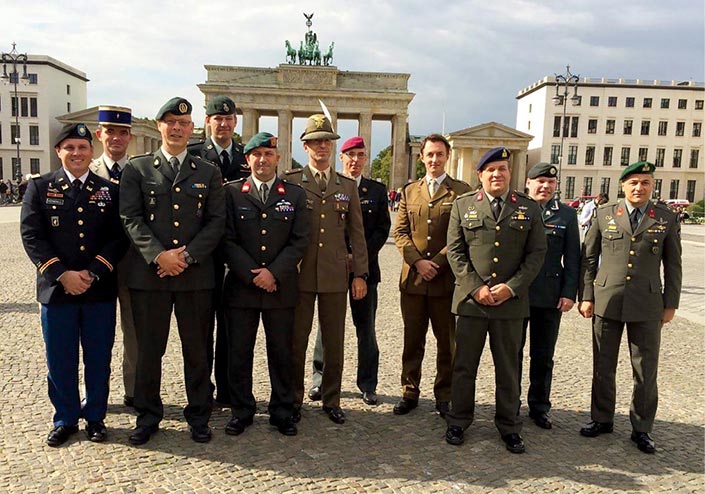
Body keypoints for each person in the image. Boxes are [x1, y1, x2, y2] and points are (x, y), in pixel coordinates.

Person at [120, 97, 226, 445]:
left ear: (192, 128)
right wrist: (158, 256)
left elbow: (215, 222)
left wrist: (187, 257)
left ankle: (199, 415)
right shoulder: (137, 169)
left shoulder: (208, 172)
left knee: (198, 350)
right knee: (150, 351)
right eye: (170, 122)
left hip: (195, 277)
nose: (177, 128)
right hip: (150, 277)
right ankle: (148, 415)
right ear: (160, 126)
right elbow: (130, 218)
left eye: (183, 123)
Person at [20, 123, 128, 446]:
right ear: (58, 152)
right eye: (69, 147)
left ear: (90, 151)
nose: (77, 153)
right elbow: (31, 236)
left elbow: (118, 237)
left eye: (82, 147)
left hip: (98, 291)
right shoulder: (39, 188)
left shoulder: (109, 190)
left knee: (98, 357)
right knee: (60, 357)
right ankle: (65, 418)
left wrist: (93, 272)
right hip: (57, 291)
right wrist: (62, 274)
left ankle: (95, 416)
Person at [444, 147, 546, 454]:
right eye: (491, 170)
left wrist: (511, 288)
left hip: (510, 304)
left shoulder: (527, 208)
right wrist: (476, 288)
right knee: (464, 366)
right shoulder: (463, 206)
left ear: (509, 173)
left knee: (508, 368)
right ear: (480, 175)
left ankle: (509, 426)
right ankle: (458, 420)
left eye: (502, 169)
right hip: (472, 303)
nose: (497, 174)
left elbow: (536, 253)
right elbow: (455, 251)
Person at [578, 161, 682, 454]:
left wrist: (670, 303)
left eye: (645, 183)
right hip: (607, 299)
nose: (639, 188)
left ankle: (642, 428)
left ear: (652, 186)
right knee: (603, 364)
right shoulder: (605, 214)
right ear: (622, 186)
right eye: (633, 183)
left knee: (645, 369)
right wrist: (587, 295)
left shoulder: (665, 218)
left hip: (648, 303)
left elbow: (673, 264)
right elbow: (588, 258)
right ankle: (601, 418)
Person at [221, 132, 309, 437]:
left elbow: (299, 242)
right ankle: (241, 410)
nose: (262, 160)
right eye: (256, 155)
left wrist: (273, 273)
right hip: (241, 288)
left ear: (277, 158)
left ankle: (282, 411)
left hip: (280, 288)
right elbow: (227, 239)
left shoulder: (295, 195)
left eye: (268, 154)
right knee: (239, 353)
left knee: (282, 353)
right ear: (247, 160)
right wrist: (253, 274)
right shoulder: (231, 193)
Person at [283, 114, 368, 425]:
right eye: (316, 141)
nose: (322, 146)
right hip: (300, 274)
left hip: (334, 274)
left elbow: (356, 234)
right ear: (305, 146)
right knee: (296, 340)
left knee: (334, 342)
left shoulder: (346, 185)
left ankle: (331, 398)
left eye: (327, 141)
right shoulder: (292, 182)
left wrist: (359, 274)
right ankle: (293, 398)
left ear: (332, 146)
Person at [392, 133, 471, 417]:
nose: (434, 159)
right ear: (422, 157)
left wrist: (436, 263)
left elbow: (461, 235)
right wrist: (417, 263)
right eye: (430, 154)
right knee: (412, 340)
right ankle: (409, 391)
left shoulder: (461, 192)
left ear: (447, 156)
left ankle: (444, 395)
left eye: (440, 154)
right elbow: (400, 233)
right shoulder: (409, 191)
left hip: (445, 280)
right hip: (413, 280)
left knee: (446, 342)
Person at [309, 137, 391, 406]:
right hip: (331, 267)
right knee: (325, 327)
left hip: (364, 270)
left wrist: (359, 258)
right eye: (351, 155)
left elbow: (382, 229)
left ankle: (368, 383)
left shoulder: (377, 191)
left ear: (366, 159)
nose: (356, 161)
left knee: (365, 327)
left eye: (361, 155)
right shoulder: (331, 186)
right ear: (341, 158)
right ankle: (320, 379)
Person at [187, 95, 247, 405]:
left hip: (236, 254)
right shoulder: (195, 154)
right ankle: (202, 391)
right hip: (205, 256)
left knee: (232, 329)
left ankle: (227, 389)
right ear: (208, 120)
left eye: (229, 119)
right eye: (217, 118)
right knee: (201, 328)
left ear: (235, 122)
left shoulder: (247, 155)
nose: (223, 124)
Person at [518, 162, 580, 429]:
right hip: (517, 294)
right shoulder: (516, 208)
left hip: (549, 296)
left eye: (550, 183)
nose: (545, 187)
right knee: (512, 354)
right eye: (539, 181)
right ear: (528, 183)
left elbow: (573, 258)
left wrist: (569, 293)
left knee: (543, 356)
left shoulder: (566, 215)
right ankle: (509, 403)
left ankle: (539, 406)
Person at [89, 105, 138, 408]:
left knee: (134, 334)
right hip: (98, 267)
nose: (116, 138)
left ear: (130, 137)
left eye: (122, 132)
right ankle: (96, 394)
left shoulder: (142, 171)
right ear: (99, 134)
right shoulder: (87, 169)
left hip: (134, 265)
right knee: (96, 334)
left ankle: (133, 390)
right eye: (110, 132)